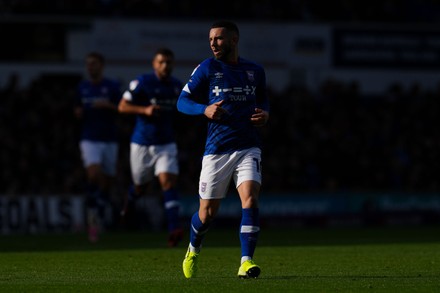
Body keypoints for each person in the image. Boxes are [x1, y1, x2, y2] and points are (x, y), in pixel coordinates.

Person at [177, 20, 270, 279]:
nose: (213, 44)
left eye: (218, 39)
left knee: (250, 198)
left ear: (234, 40)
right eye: (210, 40)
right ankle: (193, 249)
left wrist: (266, 114)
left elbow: (262, 99)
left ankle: (246, 262)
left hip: (248, 146)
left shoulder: (255, 70)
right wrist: (203, 109)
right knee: (207, 214)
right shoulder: (207, 68)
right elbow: (181, 102)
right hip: (217, 149)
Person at [118, 47, 184, 247]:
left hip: (166, 143)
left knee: (168, 183)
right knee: (140, 187)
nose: (165, 66)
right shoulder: (142, 83)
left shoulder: (176, 86)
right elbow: (122, 106)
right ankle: (129, 203)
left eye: (168, 62)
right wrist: (144, 109)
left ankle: (173, 229)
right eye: (161, 62)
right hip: (142, 144)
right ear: (154, 64)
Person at [74, 51, 122, 243]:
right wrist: (78, 112)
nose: (90, 67)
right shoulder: (82, 87)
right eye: (88, 64)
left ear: (101, 65)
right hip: (89, 138)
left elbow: (121, 108)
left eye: (93, 63)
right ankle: (93, 219)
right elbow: (76, 109)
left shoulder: (111, 86)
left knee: (106, 183)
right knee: (93, 174)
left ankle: (98, 214)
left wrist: (107, 106)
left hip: (110, 139)